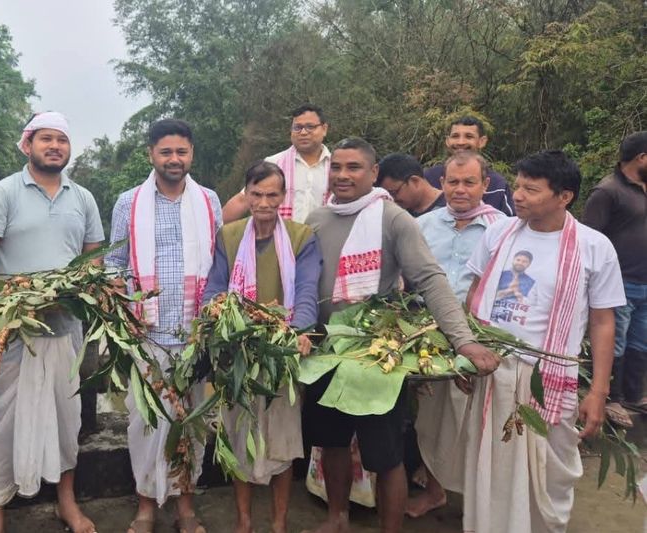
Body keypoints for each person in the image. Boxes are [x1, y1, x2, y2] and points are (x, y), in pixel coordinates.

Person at [302, 138, 500, 533]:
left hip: (378, 354)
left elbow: (429, 279)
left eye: (354, 167)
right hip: (327, 350)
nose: (343, 175)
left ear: (373, 173)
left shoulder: (393, 220)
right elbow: (304, 284)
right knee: (333, 442)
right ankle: (337, 518)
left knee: (385, 455)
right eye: (337, 167)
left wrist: (463, 339)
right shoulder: (316, 220)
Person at [464, 150, 625, 533]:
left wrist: (598, 392)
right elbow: (474, 291)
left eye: (531, 189)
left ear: (564, 196)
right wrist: (466, 351)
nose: (517, 195)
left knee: (548, 475)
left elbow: (603, 322)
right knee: (490, 467)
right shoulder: (498, 232)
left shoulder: (593, 247)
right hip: (492, 370)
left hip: (549, 378)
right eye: (518, 185)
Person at [0, 112, 103, 533]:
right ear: (28, 144)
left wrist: (87, 283)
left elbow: (93, 252)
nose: (55, 146)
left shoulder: (83, 198)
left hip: (66, 326)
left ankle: (66, 501)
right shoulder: (4, 193)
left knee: (67, 418)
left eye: (62, 139)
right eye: (46, 139)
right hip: (17, 327)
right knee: (6, 418)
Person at [105, 119, 222, 533]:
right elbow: (113, 263)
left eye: (182, 152)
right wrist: (122, 298)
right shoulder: (128, 202)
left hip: (195, 331)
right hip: (146, 331)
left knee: (191, 419)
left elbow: (219, 262)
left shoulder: (208, 200)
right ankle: (146, 504)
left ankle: (185, 505)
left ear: (192, 154)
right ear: (151, 154)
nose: (174, 159)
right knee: (146, 421)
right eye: (166, 152)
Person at [202, 160, 320, 533]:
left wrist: (298, 331)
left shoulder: (302, 236)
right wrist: (220, 317)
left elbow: (306, 291)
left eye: (272, 194)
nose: (265, 202)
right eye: (257, 194)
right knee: (239, 437)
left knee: (282, 442)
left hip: (281, 353)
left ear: (283, 196)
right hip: (238, 353)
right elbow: (215, 288)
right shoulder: (230, 235)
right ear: (246, 194)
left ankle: (279, 522)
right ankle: (244, 521)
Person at [409, 150, 505, 517]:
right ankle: (436, 491)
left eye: (469, 182)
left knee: (474, 420)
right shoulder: (423, 226)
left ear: (485, 185)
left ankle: (480, 500)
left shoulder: (502, 228)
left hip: (478, 336)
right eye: (453, 182)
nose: (460, 190)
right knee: (431, 418)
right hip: (425, 334)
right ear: (441, 183)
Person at [582, 131, 647, 427]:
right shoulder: (607, 192)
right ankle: (613, 399)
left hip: (645, 282)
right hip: (618, 284)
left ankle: (635, 395)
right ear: (641, 158)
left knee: (640, 342)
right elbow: (588, 240)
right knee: (614, 343)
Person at [222, 105, 331, 223]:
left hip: (323, 239)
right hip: (281, 238)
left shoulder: (336, 167)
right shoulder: (273, 164)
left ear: (324, 129)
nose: (303, 132)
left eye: (310, 127)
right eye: (297, 127)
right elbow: (243, 200)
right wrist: (214, 231)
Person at [423, 116, 515, 215]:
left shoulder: (498, 186)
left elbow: (510, 225)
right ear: (447, 141)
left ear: (482, 141)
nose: (461, 142)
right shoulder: (429, 178)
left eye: (469, 136)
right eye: (455, 136)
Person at [376, 153, 445, 216]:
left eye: (393, 193)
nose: (392, 199)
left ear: (415, 181)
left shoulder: (448, 209)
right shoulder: (399, 215)